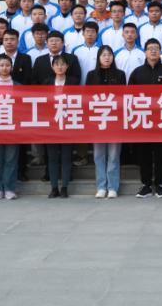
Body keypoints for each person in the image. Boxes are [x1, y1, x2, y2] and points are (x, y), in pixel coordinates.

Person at [128, 39, 162, 197]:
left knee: (161, 155)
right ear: (145, 52)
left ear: (160, 51)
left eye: (156, 48)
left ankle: (160, 184)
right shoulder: (137, 72)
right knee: (143, 155)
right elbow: (129, 96)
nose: (153, 51)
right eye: (150, 48)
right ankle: (146, 185)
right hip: (143, 120)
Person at [86, 46, 125, 198]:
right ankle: (101, 186)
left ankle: (113, 187)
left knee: (114, 155)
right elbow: (87, 97)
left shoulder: (120, 74)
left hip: (115, 119)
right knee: (98, 155)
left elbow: (123, 96)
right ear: (98, 58)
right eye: (103, 55)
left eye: (109, 55)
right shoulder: (91, 75)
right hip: (97, 120)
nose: (107, 57)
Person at [41, 54, 80, 197]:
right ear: (52, 67)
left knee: (66, 157)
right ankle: (54, 187)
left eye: (63, 64)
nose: (60, 67)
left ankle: (64, 187)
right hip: (51, 125)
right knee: (52, 158)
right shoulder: (46, 82)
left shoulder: (73, 82)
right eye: (57, 64)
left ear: (67, 66)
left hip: (68, 124)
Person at [0, 54, 21, 200]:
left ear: (11, 67)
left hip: (13, 127)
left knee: (11, 159)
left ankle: (9, 188)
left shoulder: (18, 86)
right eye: (2, 65)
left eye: (7, 65)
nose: (5, 68)